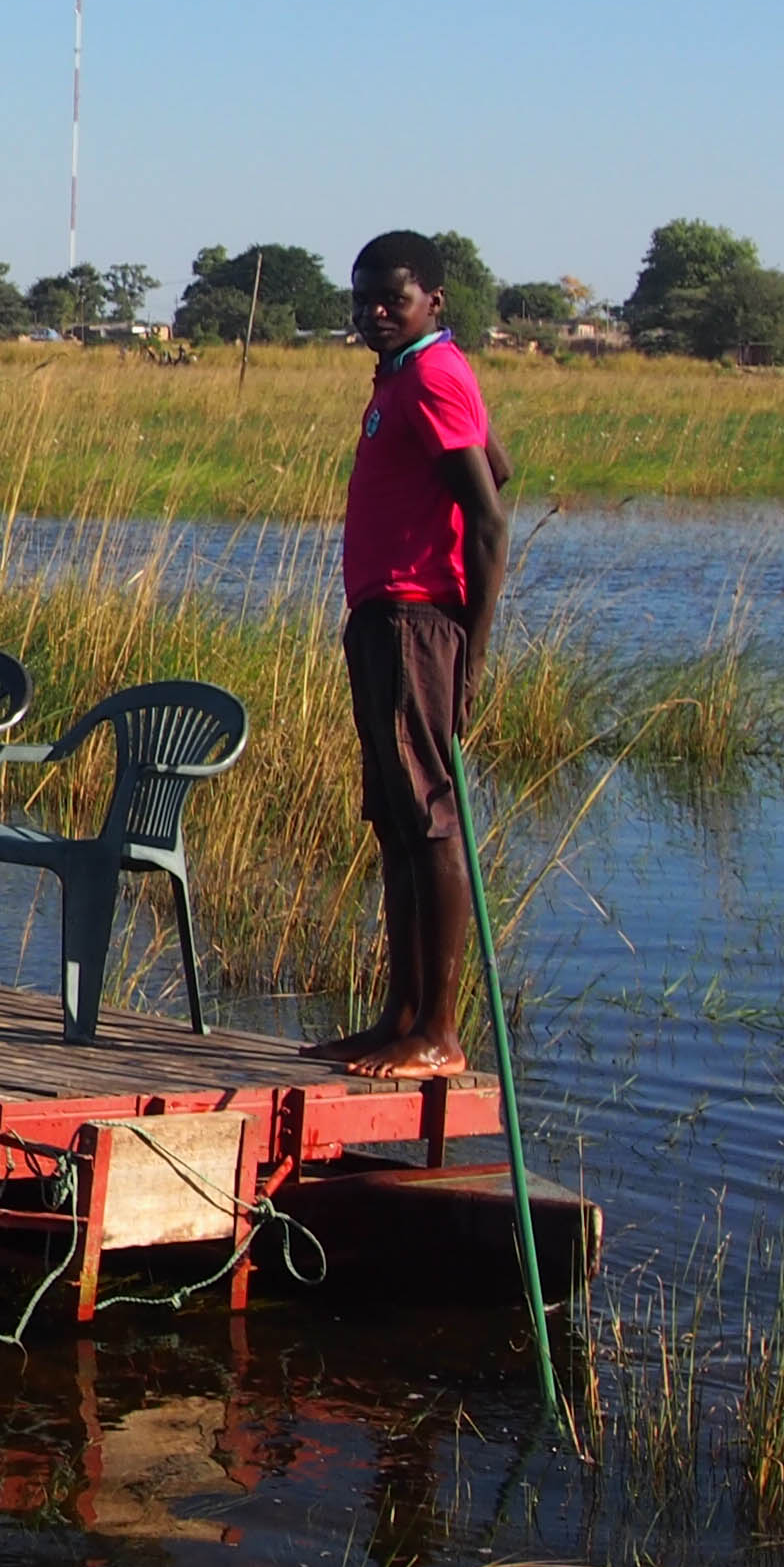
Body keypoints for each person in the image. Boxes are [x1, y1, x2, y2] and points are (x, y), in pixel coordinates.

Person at [315, 230, 509, 1082]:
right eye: (363, 300)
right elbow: (500, 465)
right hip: (382, 618)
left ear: (434, 300)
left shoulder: (432, 375)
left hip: (415, 621)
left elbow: (491, 518)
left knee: (430, 821)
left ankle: (439, 1030)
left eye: (392, 299)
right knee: (395, 821)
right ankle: (399, 1018)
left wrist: (471, 653)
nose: (375, 313)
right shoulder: (404, 376)